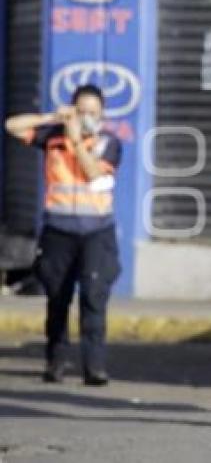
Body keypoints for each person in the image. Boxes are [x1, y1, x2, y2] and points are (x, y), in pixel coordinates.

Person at [5, 84, 122, 386]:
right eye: (81, 112)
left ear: (103, 116)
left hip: (96, 232)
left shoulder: (108, 143)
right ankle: (55, 363)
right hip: (59, 231)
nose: (86, 118)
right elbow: (11, 126)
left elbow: (95, 175)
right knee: (57, 299)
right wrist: (50, 117)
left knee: (94, 299)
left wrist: (78, 143)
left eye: (93, 113)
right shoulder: (53, 138)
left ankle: (94, 367)